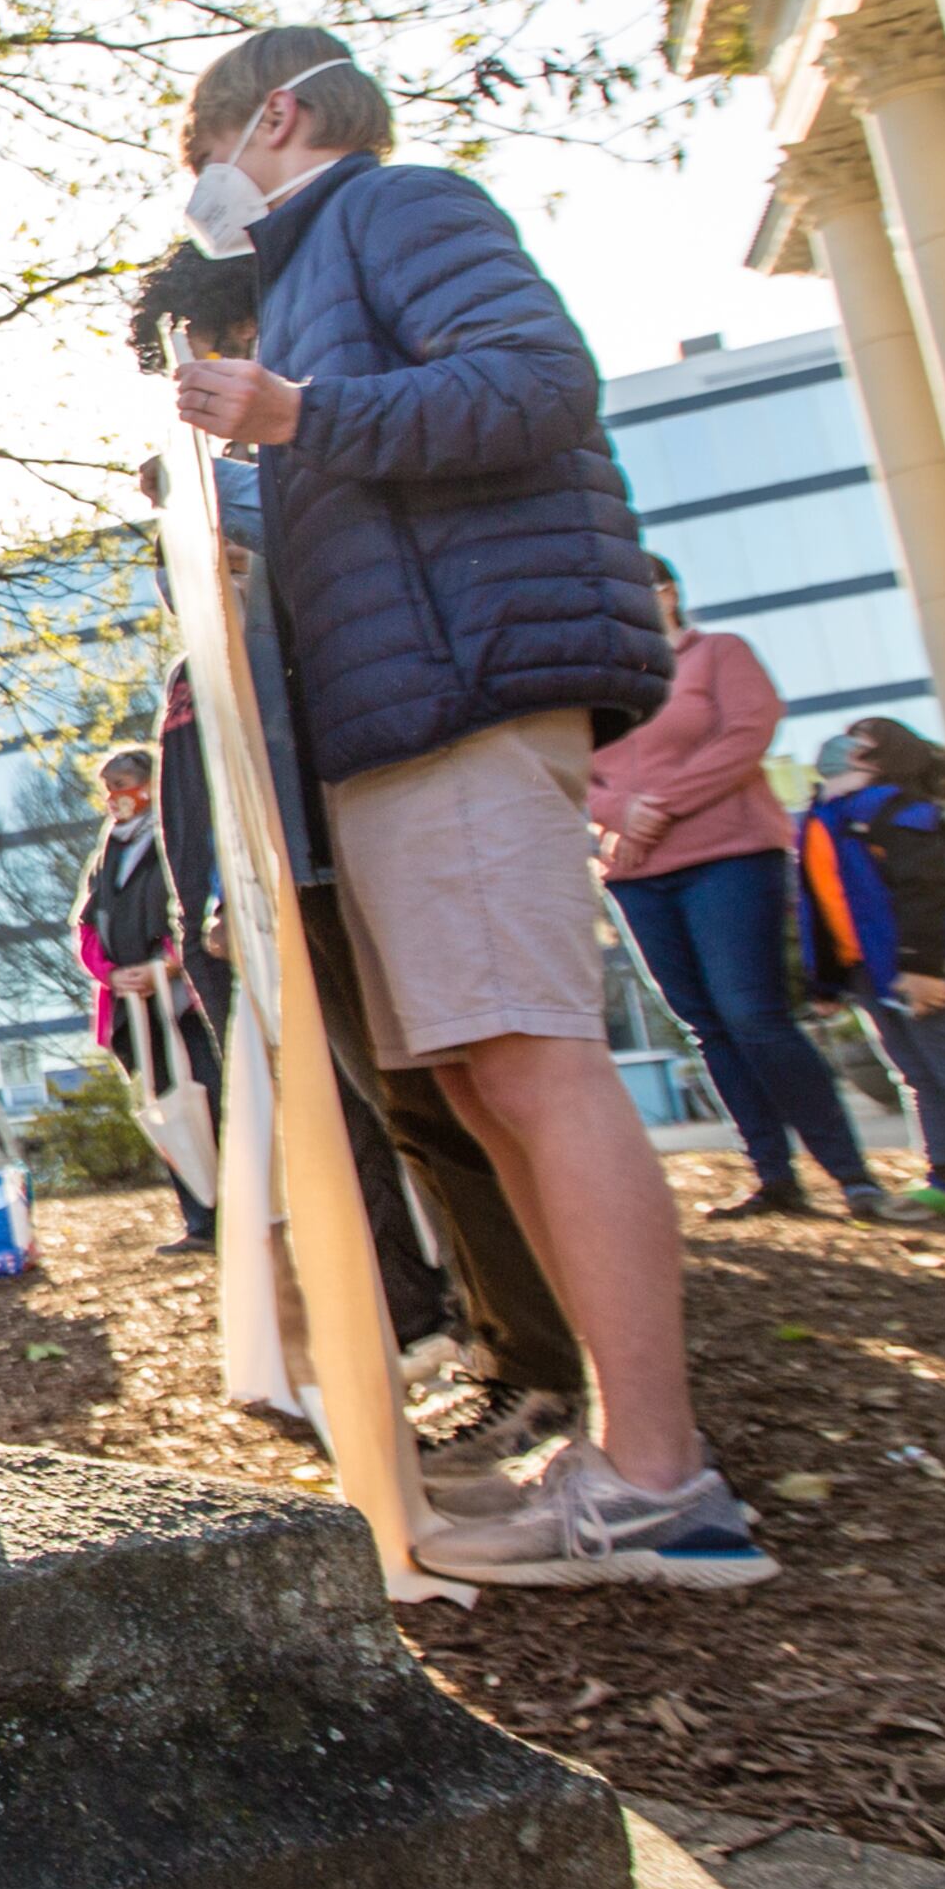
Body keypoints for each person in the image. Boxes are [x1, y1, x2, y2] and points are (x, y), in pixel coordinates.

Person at [165, 25, 769, 1590]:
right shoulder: (305, 270)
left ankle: (663, 1479)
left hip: (464, 687)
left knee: (533, 1062)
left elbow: (532, 385)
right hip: (409, 702)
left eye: (203, 155)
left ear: (279, 115)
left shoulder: (398, 208)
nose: (198, 193)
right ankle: (629, 1449)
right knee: (497, 1082)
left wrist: (297, 418)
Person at [136, 276, 575, 1477]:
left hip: (382, 798)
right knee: (413, 1109)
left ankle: (544, 1353)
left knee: (470, 1092)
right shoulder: (221, 482)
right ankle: (513, 1350)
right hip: (302, 841)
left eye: (207, 353)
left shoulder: (329, 436)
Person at [593, 560, 913, 1224]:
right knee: (705, 1026)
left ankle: (851, 1176)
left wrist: (660, 804)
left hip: (729, 854)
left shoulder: (718, 654)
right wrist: (625, 813)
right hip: (635, 870)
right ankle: (774, 1175)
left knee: (753, 1013)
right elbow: (574, 764)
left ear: (667, 592)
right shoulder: (594, 681)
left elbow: (748, 732)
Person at [803, 720, 945, 1217]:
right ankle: (942, 1176)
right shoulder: (828, 817)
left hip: (921, 965)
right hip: (864, 969)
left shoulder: (899, 811)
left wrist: (923, 965)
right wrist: (825, 979)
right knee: (912, 1075)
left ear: (882, 759)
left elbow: (924, 891)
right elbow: (818, 904)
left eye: (859, 742)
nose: (841, 746)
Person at [74, 747, 227, 1254]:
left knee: (208, 1092)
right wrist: (113, 975)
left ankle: (236, 1209)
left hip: (184, 998)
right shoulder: (106, 854)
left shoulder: (173, 838)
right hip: (133, 1006)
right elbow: (88, 923)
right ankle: (199, 1216)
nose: (113, 798)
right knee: (165, 1104)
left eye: (121, 784)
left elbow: (191, 902)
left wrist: (169, 963)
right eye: (106, 789)